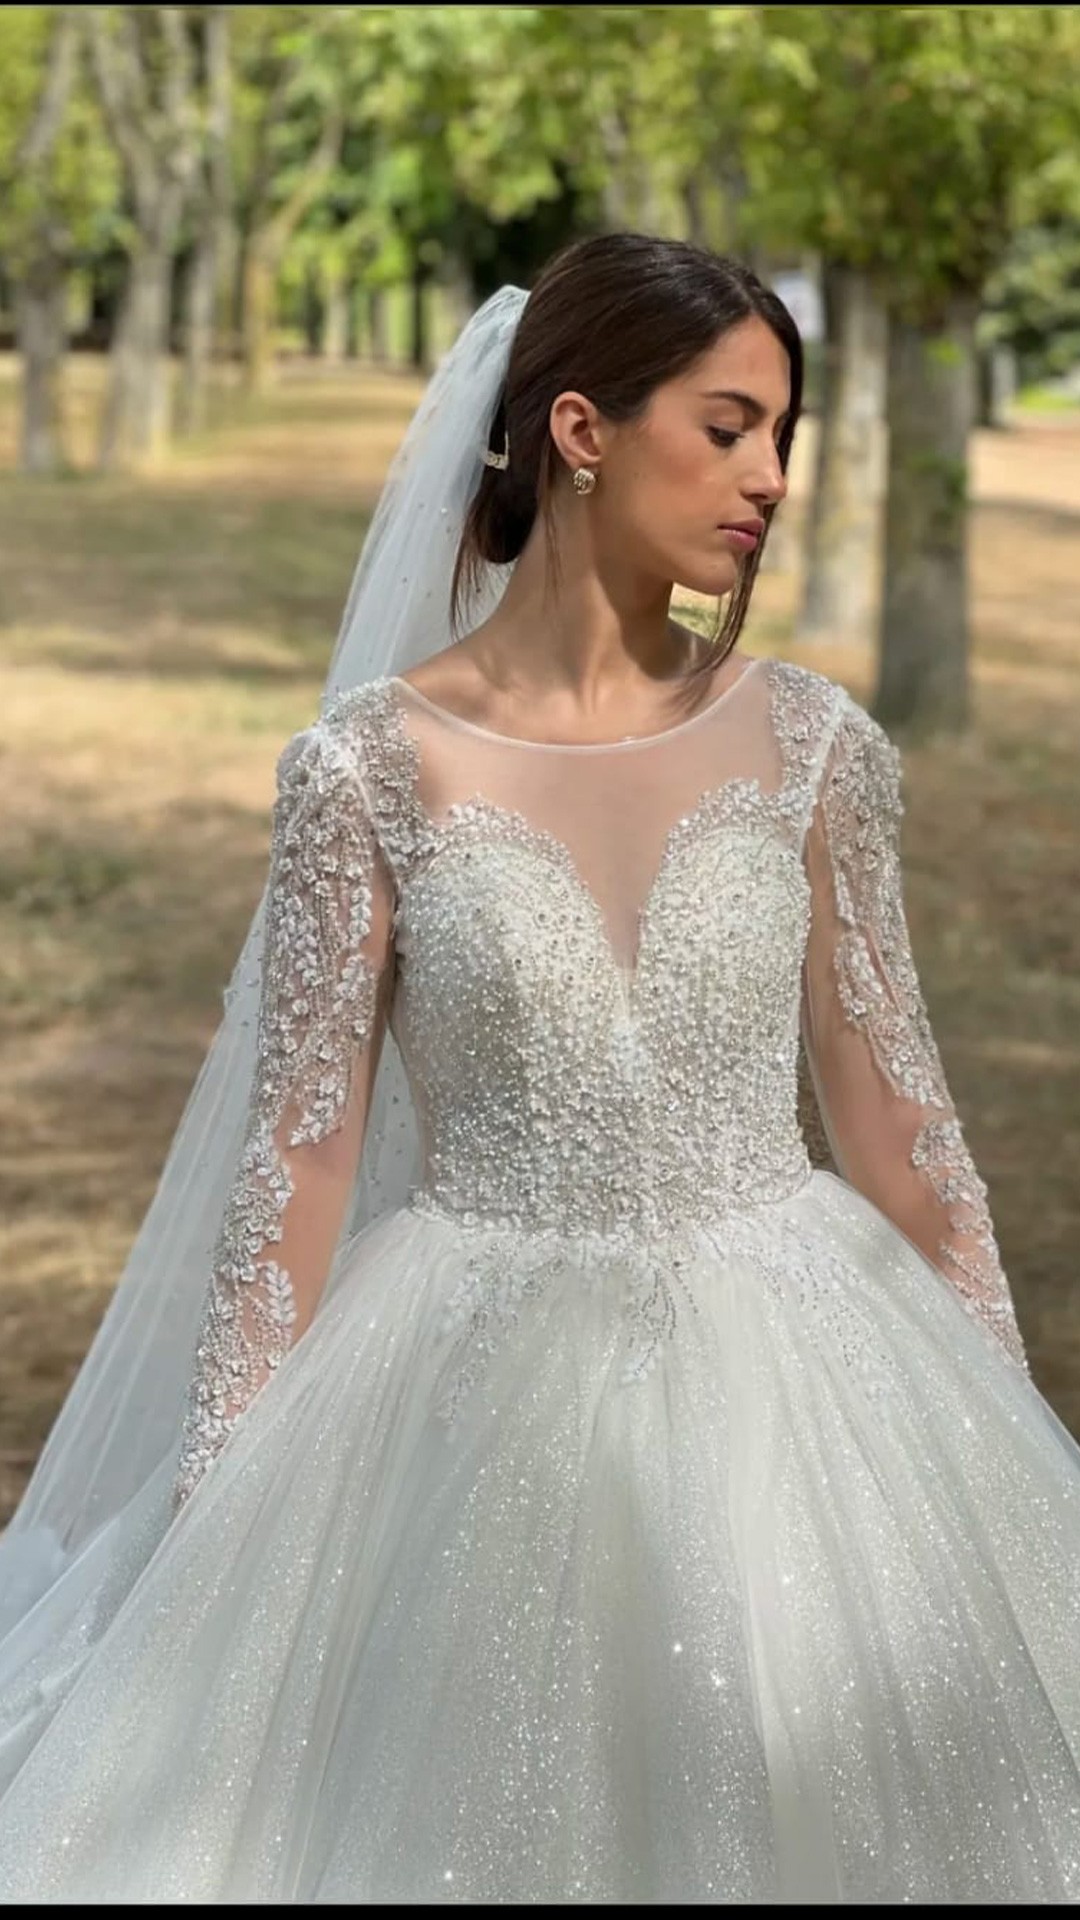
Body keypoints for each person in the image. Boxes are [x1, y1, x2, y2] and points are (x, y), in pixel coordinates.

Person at [0, 231, 1078, 1905]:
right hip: (466, 1380)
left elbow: (903, 1130)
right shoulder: (371, 768)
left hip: (803, 1374)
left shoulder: (813, 747)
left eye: (783, 437)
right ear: (581, 430)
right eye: (728, 428)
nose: (770, 479)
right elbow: (301, 1162)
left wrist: (995, 1436)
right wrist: (226, 1504)